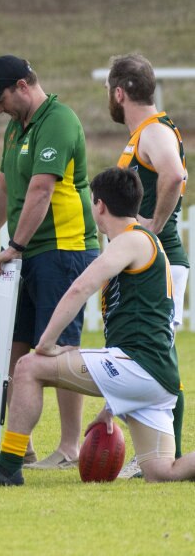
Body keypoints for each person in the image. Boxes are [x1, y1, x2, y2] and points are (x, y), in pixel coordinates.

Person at [0, 167, 195, 486]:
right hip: (157, 377)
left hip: (138, 367)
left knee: (28, 367)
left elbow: (81, 287)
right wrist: (112, 406)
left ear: (98, 205)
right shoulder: (147, 242)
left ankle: (8, 468)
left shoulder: (131, 241)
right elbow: (140, 326)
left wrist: (46, 344)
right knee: (163, 472)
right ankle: (10, 465)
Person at [0, 55, 100, 470]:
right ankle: (18, 444)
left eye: (1, 97)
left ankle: (68, 447)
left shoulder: (58, 120)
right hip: (28, 253)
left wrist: (17, 245)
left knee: (60, 350)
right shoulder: (16, 128)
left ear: (23, 86)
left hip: (63, 251)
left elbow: (42, 189)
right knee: (18, 346)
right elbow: (5, 184)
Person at [107, 53, 188, 471]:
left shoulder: (153, 131)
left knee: (160, 355)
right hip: (154, 262)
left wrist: (152, 226)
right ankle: (154, 452)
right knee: (150, 352)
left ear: (119, 92)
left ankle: (166, 453)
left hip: (164, 261)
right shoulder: (146, 131)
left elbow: (174, 175)